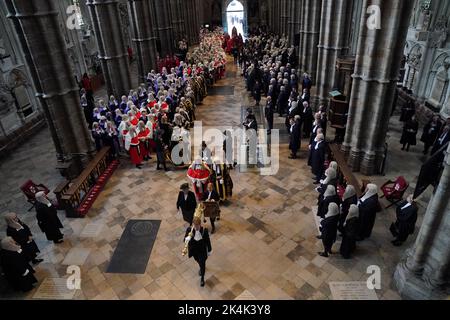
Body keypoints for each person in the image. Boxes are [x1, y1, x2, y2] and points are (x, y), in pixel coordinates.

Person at [184, 216, 212, 287]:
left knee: (202, 264)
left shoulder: (204, 231)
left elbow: (208, 241)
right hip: (194, 251)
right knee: (198, 261)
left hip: (202, 251)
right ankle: (201, 266)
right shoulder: (189, 230)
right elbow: (185, 240)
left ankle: (202, 278)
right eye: (194, 225)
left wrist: (209, 250)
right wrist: (188, 238)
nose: (195, 227)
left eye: (197, 225)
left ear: (200, 224)